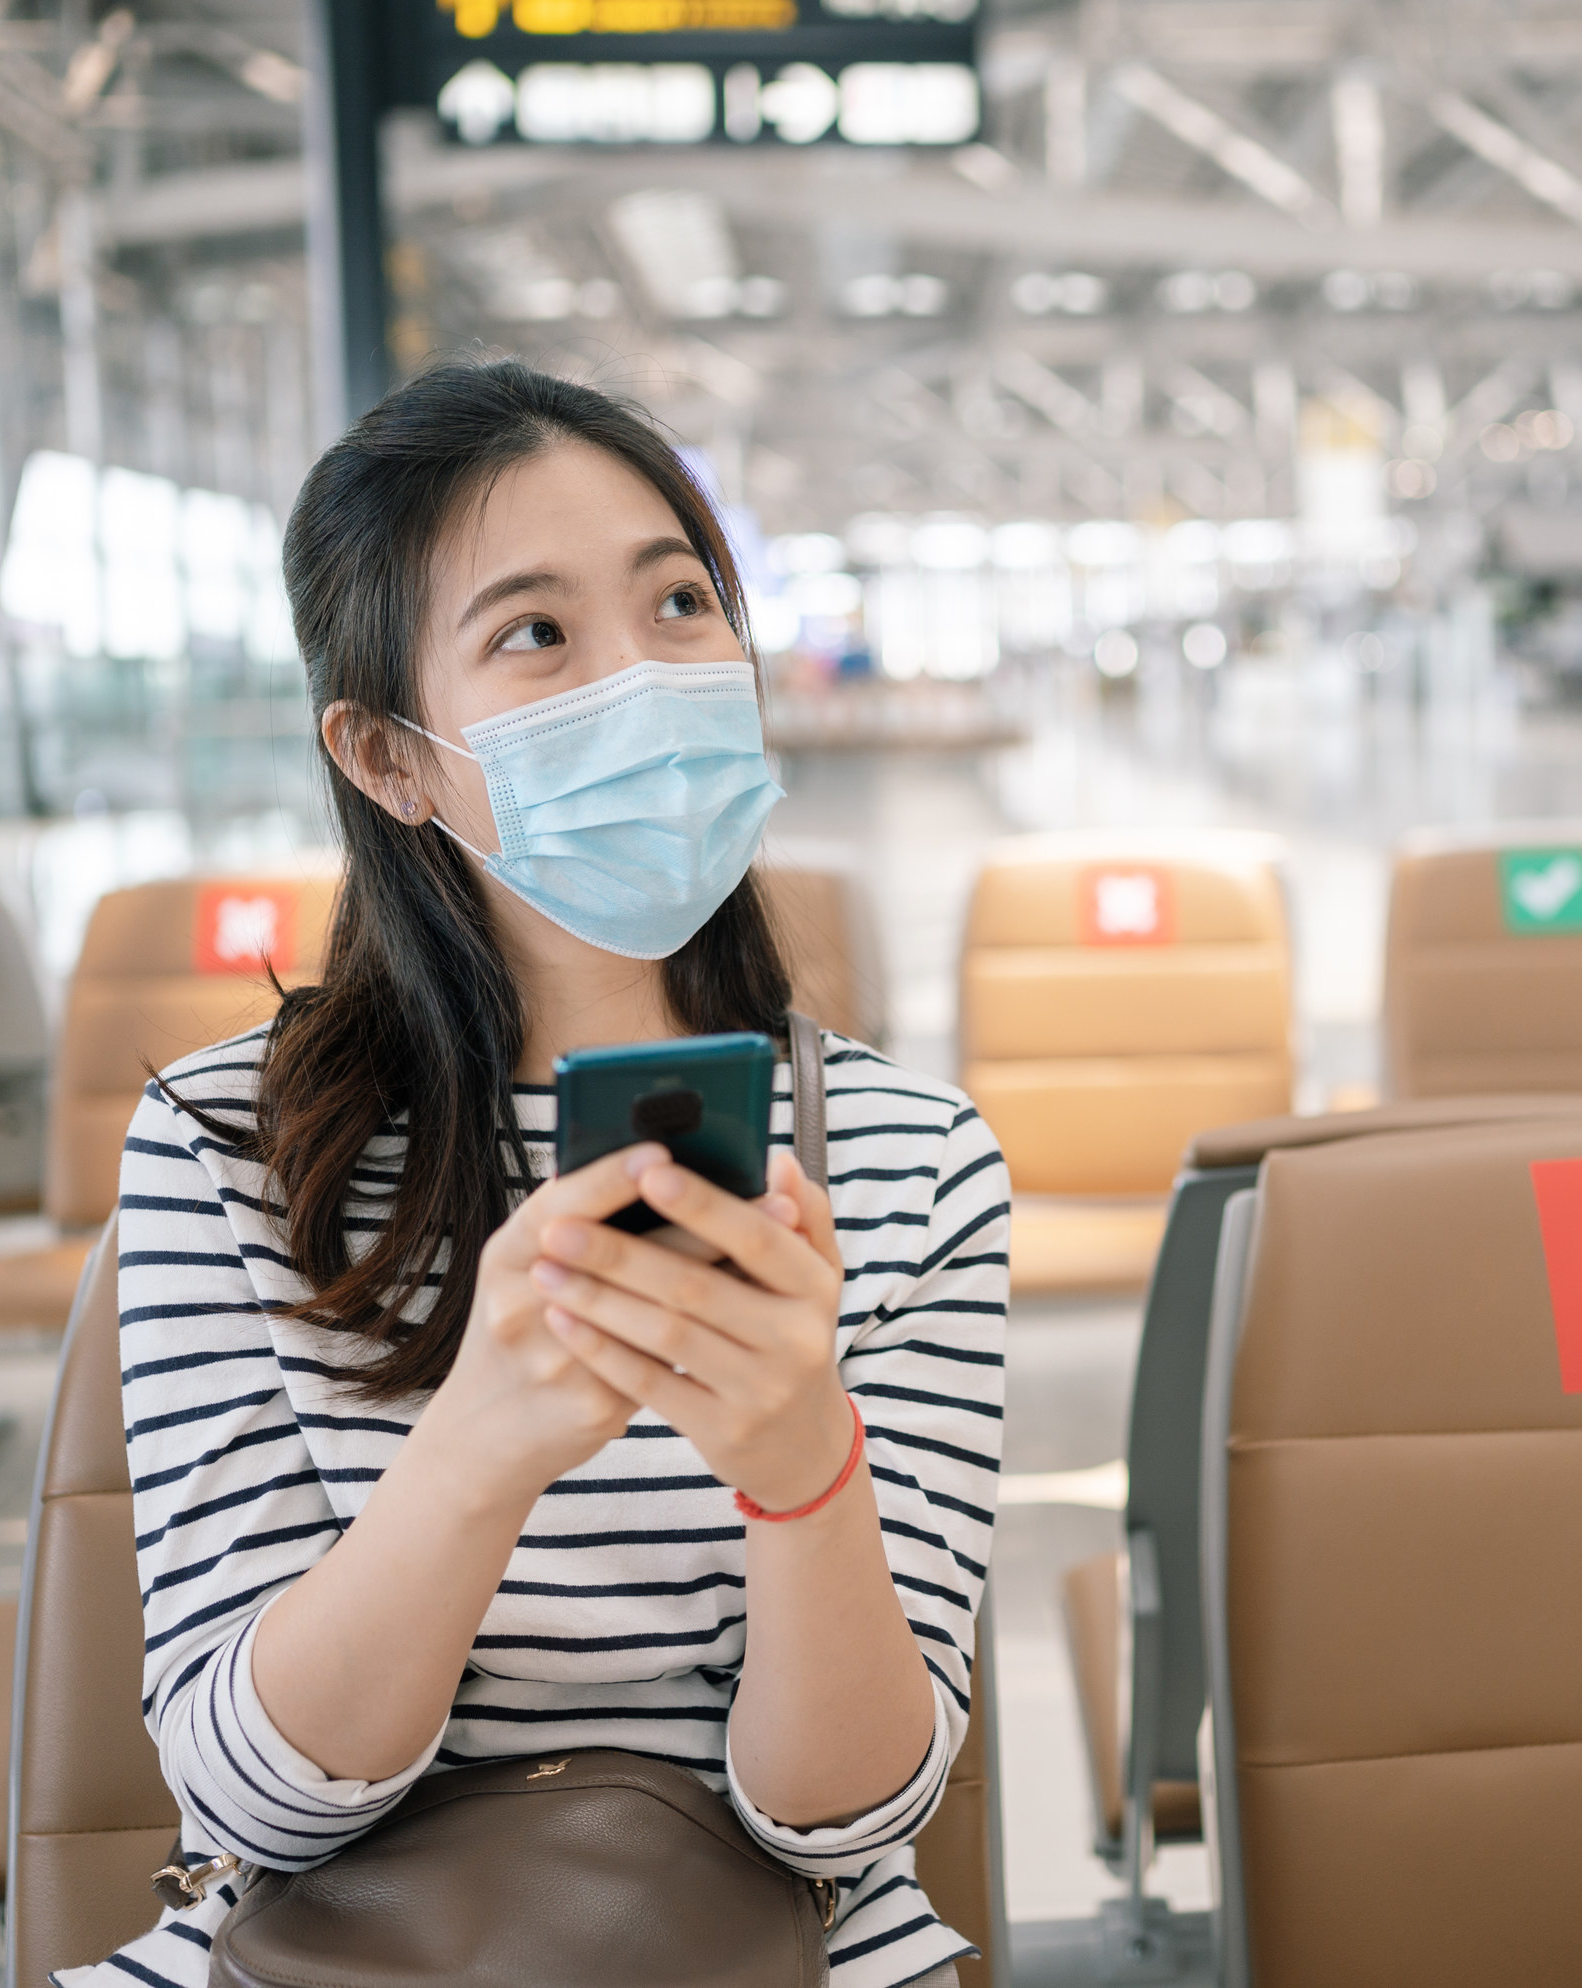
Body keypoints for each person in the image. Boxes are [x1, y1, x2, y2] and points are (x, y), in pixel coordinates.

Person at [66, 359, 1006, 1988]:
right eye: (537, 634)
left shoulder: (917, 1164)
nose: (644, 676)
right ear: (389, 759)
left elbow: (846, 1824)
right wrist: (481, 1447)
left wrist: (800, 1464)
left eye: (682, 602)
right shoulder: (231, 1151)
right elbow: (245, 1798)